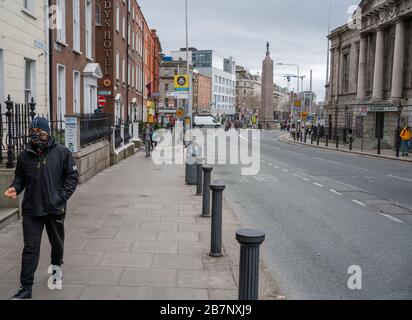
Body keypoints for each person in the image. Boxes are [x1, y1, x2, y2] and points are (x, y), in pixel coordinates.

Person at [4, 117, 78, 300]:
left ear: (48, 133)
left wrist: (59, 198)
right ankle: (26, 288)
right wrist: (16, 187)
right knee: (30, 248)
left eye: (41, 133)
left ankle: (56, 268)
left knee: (57, 243)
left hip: (55, 208)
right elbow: (20, 177)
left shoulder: (62, 152)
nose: (37, 136)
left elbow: (72, 178)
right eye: (33, 133)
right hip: (32, 208)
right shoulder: (25, 154)